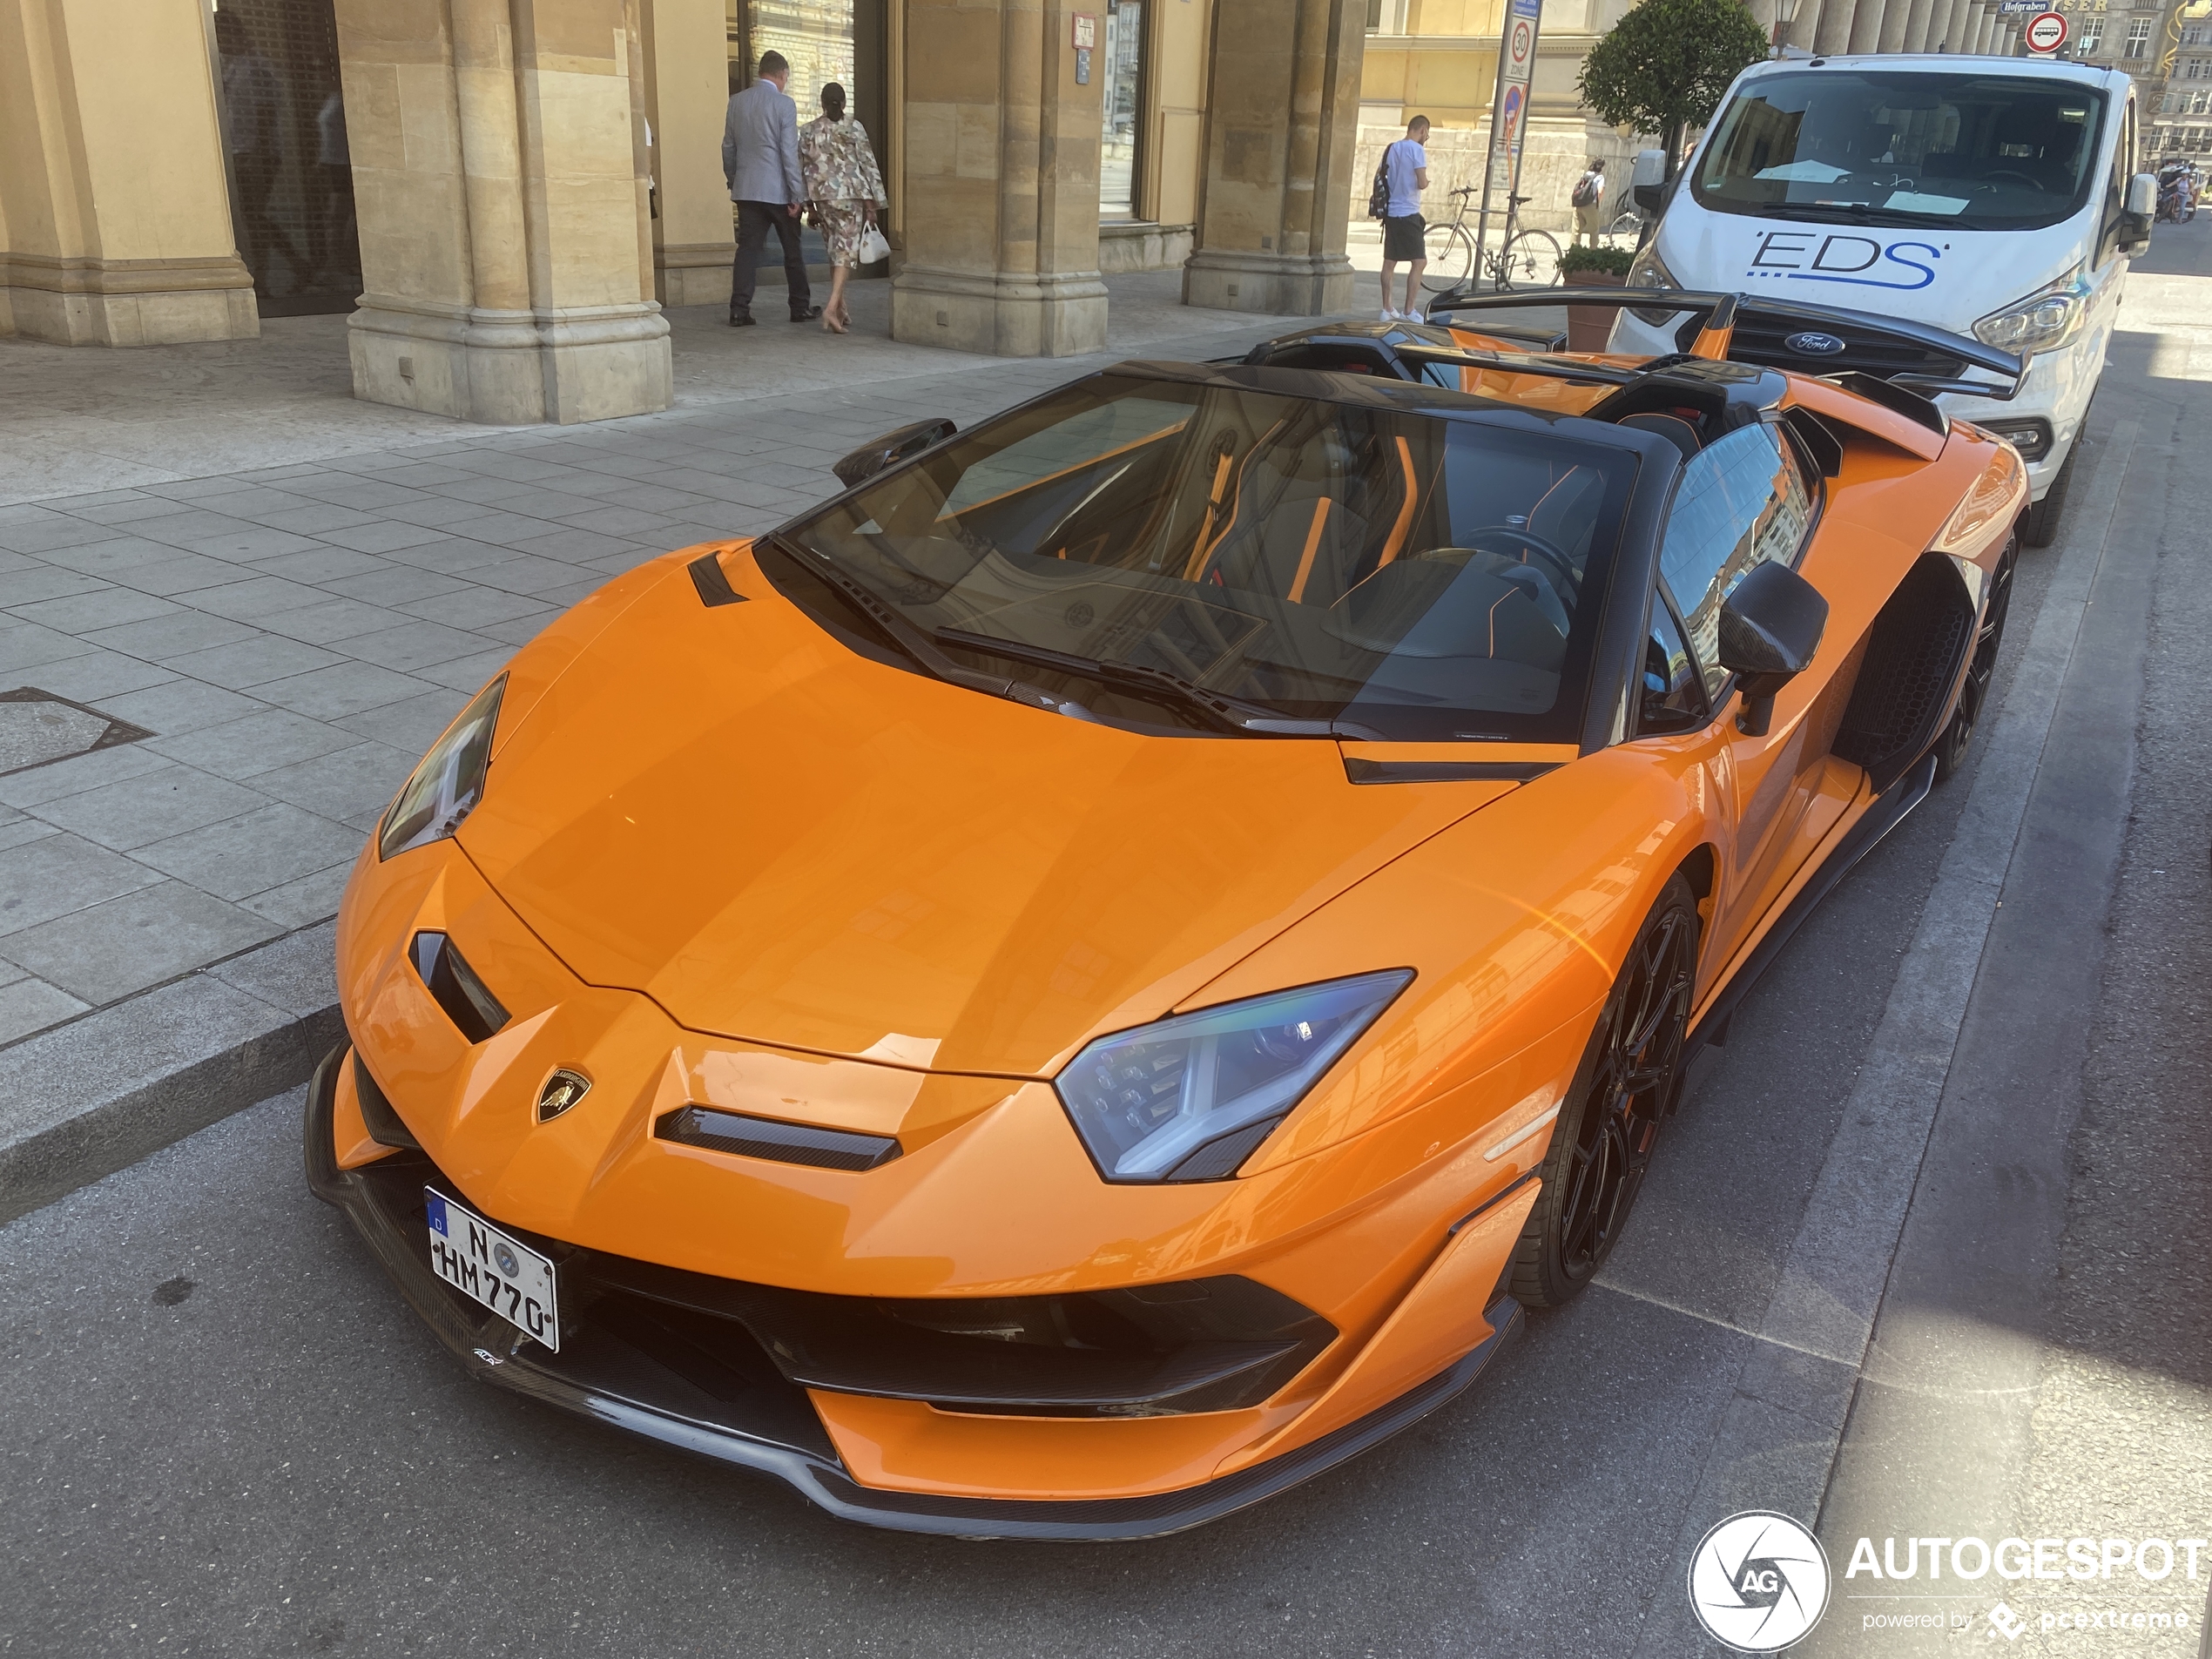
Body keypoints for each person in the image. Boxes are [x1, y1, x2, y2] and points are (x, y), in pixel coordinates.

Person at [722, 51, 819, 326]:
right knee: (792, 251)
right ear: (782, 74)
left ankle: (739, 309)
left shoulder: (736, 102)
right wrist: (796, 194)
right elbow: (788, 152)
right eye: (787, 76)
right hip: (778, 192)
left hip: (747, 189)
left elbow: (728, 147)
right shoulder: (784, 104)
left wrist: (734, 180)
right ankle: (799, 306)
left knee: (747, 251)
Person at [798, 82, 887, 335]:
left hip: (823, 199)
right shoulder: (853, 128)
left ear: (822, 104)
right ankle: (831, 307)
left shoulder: (807, 132)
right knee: (844, 254)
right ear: (844, 103)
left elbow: (801, 170)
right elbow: (867, 165)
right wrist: (874, 203)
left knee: (835, 251)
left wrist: (809, 205)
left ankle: (841, 307)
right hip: (850, 198)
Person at [1379, 116, 1430, 323]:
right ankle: (1409, 310)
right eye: (1427, 134)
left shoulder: (1392, 148)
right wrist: (1426, 182)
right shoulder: (1417, 150)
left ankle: (1387, 308)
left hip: (1391, 212)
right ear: (1423, 131)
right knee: (1419, 261)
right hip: (1409, 211)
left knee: (1389, 263)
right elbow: (1421, 181)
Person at [1572, 156, 1607, 248]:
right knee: (1594, 231)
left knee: (1576, 231)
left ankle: (1573, 251)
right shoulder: (1599, 177)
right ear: (1601, 167)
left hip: (1579, 204)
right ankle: (1592, 253)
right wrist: (1598, 203)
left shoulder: (1585, 175)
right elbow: (1600, 191)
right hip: (1591, 205)